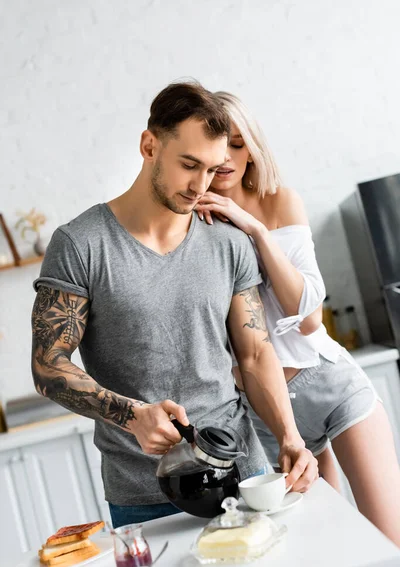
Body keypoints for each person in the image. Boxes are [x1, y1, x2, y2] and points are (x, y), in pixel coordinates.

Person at [31, 81, 318, 528]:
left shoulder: (228, 243)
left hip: (245, 474)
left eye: (212, 168)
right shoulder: (81, 244)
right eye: (189, 165)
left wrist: (289, 435)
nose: (200, 184)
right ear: (149, 146)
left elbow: (256, 353)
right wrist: (132, 416)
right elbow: (48, 366)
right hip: (143, 493)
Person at [194, 90, 400, 546]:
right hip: (263, 416)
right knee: (325, 550)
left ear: (253, 146)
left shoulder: (279, 200)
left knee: (390, 541)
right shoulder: (193, 227)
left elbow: (306, 318)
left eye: (238, 143)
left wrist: (255, 230)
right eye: (215, 146)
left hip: (328, 381)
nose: (227, 158)